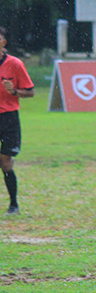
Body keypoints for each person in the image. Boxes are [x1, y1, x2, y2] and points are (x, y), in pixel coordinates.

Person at [0, 28, 34, 216]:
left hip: (9, 118)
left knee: (6, 162)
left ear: (3, 43)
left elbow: (30, 91)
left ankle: (13, 205)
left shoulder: (15, 64)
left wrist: (14, 91)